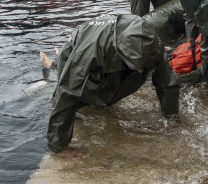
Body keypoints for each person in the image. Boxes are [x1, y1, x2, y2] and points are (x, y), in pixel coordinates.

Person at [44, 12, 179, 156]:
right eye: (136, 66)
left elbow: (167, 82)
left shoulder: (153, 44)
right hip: (79, 49)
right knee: (76, 96)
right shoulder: (91, 48)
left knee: (111, 92)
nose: (141, 72)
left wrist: (172, 120)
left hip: (115, 52)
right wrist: (58, 146)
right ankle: (52, 66)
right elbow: (68, 90)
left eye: (143, 67)